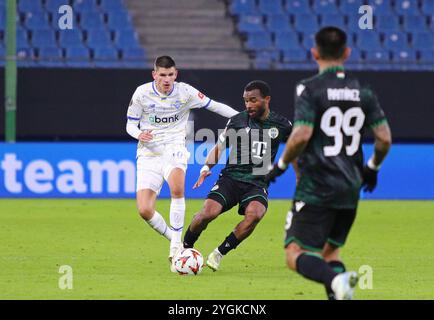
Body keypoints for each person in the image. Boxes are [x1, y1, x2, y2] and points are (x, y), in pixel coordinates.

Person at [265, 27, 392, 300]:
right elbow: (383, 138)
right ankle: (339, 288)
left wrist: (281, 166)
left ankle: (336, 281)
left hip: (316, 185)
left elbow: (301, 135)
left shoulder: (309, 89)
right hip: (350, 185)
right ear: (346, 53)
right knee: (330, 252)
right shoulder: (364, 91)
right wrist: (373, 168)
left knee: (294, 253)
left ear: (314, 53)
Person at [126, 56, 238, 271]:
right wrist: (139, 134)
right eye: (162, 75)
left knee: (177, 188)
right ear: (154, 75)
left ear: (175, 74)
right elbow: (130, 125)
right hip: (148, 153)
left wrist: (243, 118)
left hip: (175, 147)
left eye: (170, 75)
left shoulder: (185, 92)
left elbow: (215, 106)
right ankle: (174, 240)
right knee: (144, 210)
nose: (166, 79)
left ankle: (177, 246)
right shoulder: (142, 93)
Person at [182, 80, 298, 271]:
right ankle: (185, 247)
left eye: (253, 100)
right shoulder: (237, 121)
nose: (249, 105)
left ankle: (219, 253)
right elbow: (219, 148)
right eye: (245, 101)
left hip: (257, 182)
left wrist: (299, 175)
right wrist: (205, 169)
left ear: (267, 99)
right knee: (207, 214)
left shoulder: (282, 124)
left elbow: (296, 148)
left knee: (255, 214)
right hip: (230, 179)